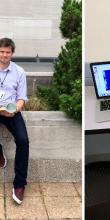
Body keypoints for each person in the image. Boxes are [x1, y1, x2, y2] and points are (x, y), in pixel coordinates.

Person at [0, 38, 29, 204]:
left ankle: (19, 184)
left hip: (11, 112)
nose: (4, 55)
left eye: (7, 52)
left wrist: (14, 110)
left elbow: (22, 99)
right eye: (2, 51)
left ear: (12, 53)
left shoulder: (19, 71)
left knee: (23, 141)